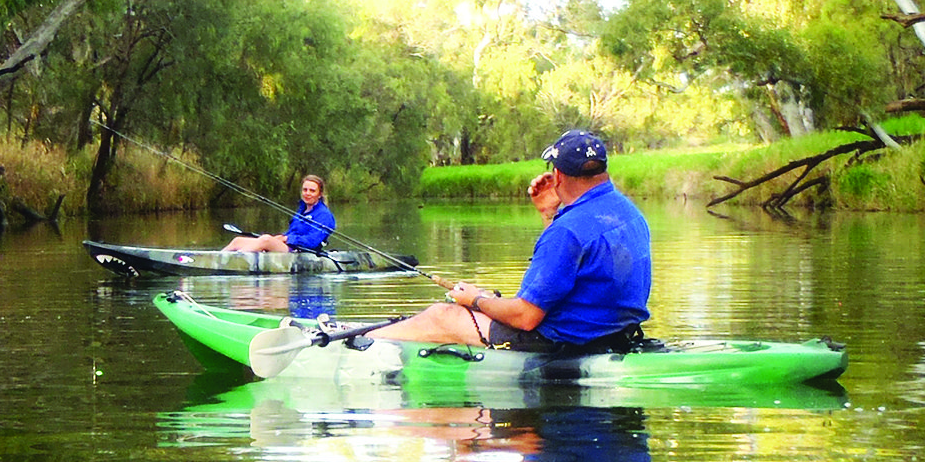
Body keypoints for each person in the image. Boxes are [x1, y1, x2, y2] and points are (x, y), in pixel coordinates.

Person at [370, 129, 652, 350]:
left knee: (441, 316)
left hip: (563, 344)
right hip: (613, 334)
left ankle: (360, 345)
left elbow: (526, 318)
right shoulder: (628, 212)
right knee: (481, 306)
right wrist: (549, 213)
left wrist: (476, 300)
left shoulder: (568, 230)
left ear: (558, 175)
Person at [221, 174, 336, 254]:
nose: (307, 193)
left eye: (312, 191)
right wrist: (280, 237)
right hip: (290, 246)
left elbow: (312, 241)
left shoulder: (324, 215)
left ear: (319, 194)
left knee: (265, 240)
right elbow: (292, 232)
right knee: (238, 241)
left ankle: (237, 258)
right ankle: (219, 258)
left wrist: (287, 239)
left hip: (301, 251)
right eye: (305, 190)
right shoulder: (302, 210)